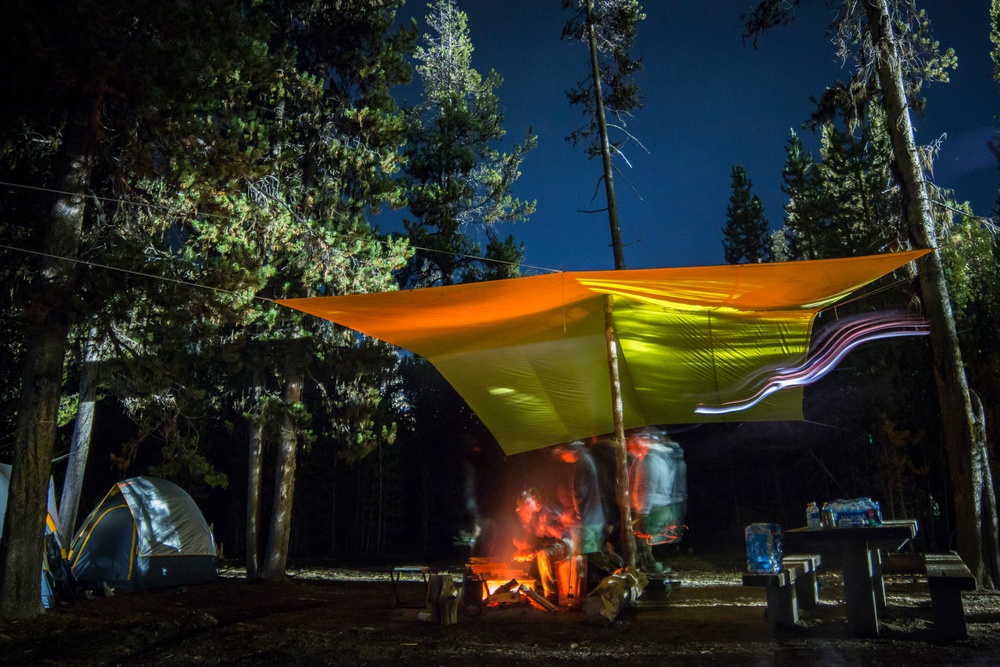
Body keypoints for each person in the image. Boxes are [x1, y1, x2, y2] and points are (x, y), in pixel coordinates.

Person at [627, 427, 686, 572]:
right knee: (652, 546)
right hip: (662, 507)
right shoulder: (663, 457)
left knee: (643, 546)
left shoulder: (649, 461)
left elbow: (646, 488)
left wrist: (641, 512)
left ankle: (653, 576)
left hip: (652, 510)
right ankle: (658, 573)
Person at [512, 489, 573, 603]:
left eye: (537, 498)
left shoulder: (549, 512)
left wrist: (536, 551)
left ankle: (551, 594)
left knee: (543, 554)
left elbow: (559, 534)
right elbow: (543, 540)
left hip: (565, 543)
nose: (536, 501)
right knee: (538, 553)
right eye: (533, 499)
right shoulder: (535, 518)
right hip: (553, 545)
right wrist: (525, 550)